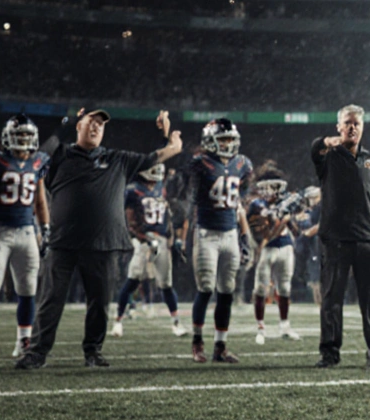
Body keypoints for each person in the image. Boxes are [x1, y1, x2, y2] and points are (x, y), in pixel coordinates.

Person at [16, 108, 181, 369]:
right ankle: (37, 352)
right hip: (63, 240)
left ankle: (93, 351)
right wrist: (65, 125)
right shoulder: (60, 154)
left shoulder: (117, 158)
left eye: (100, 124)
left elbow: (154, 158)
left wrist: (166, 136)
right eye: (90, 122)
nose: (95, 127)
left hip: (104, 242)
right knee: (51, 300)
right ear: (78, 126)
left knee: (99, 302)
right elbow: (39, 157)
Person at [311, 104, 370, 369]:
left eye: (356, 123)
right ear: (338, 126)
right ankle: (329, 353)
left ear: (363, 127)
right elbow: (315, 148)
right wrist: (327, 142)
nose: (352, 127)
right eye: (347, 123)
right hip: (335, 240)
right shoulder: (328, 156)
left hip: (368, 240)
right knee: (331, 299)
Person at [183, 118, 254, 364]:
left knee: (227, 290)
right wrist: (184, 236)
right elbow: (191, 200)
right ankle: (197, 342)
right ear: (210, 140)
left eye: (230, 139)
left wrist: (244, 236)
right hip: (207, 233)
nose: (227, 143)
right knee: (205, 287)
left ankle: (220, 346)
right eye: (223, 139)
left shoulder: (243, 164)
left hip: (230, 233)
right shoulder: (200, 164)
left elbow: (240, 199)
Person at [0, 114, 51, 358]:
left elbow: (40, 201)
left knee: (28, 287)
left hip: (27, 231)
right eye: (19, 134)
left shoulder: (38, 161)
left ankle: (23, 341)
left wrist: (45, 229)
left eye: (27, 134)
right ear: (8, 137)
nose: (23, 139)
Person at [110, 163, 187, 338]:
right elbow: (128, 220)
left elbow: (167, 217)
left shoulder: (160, 188)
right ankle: (118, 322)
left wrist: (171, 238)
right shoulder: (133, 191)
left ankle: (176, 323)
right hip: (143, 240)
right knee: (132, 280)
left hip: (161, 240)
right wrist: (140, 237)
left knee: (166, 284)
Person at [247, 168, 306, 344]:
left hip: (285, 247)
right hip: (267, 249)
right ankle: (260, 327)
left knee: (285, 288)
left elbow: (295, 229)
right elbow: (260, 226)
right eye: (266, 187)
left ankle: (284, 326)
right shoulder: (257, 204)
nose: (268, 191)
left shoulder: (286, 202)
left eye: (272, 187)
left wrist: (290, 218)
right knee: (260, 289)